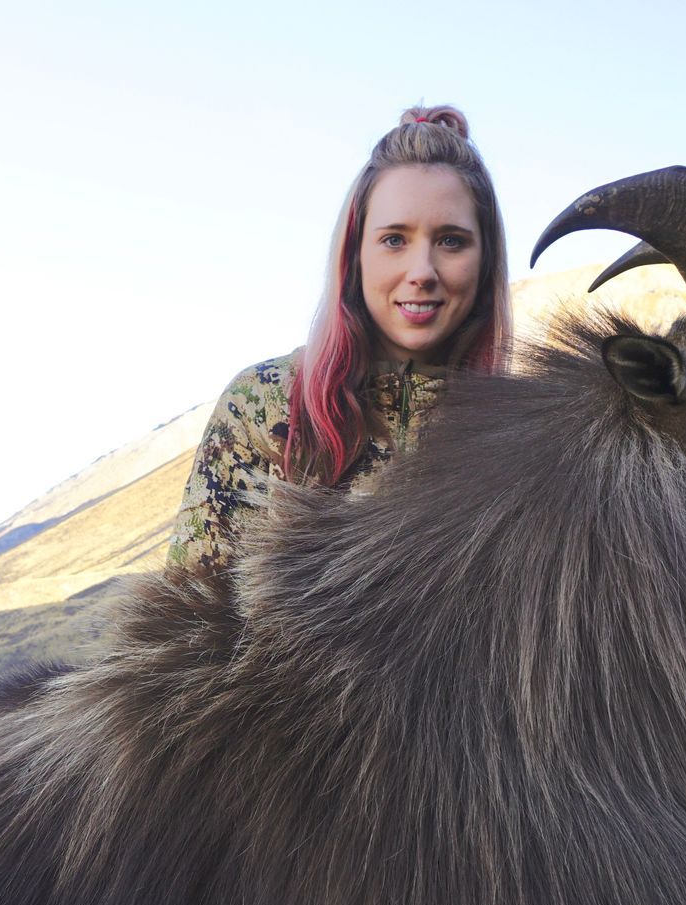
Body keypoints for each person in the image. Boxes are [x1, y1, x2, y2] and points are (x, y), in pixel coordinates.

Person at [166, 106, 513, 571]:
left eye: (451, 241)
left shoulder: (525, 432)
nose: (422, 272)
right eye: (394, 240)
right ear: (356, 253)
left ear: (485, 259)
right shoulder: (263, 403)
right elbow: (189, 621)